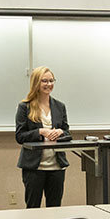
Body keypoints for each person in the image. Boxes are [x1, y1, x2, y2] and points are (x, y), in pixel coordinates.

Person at [15, 66, 70, 208]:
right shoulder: (24, 107)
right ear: (36, 83)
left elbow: (67, 132)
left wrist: (60, 133)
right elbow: (20, 136)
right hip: (34, 168)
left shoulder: (60, 106)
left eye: (51, 80)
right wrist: (40, 132)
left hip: (57, 166)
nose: (49, 84)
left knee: (55, 208)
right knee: (33, 208)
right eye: (44, 81)